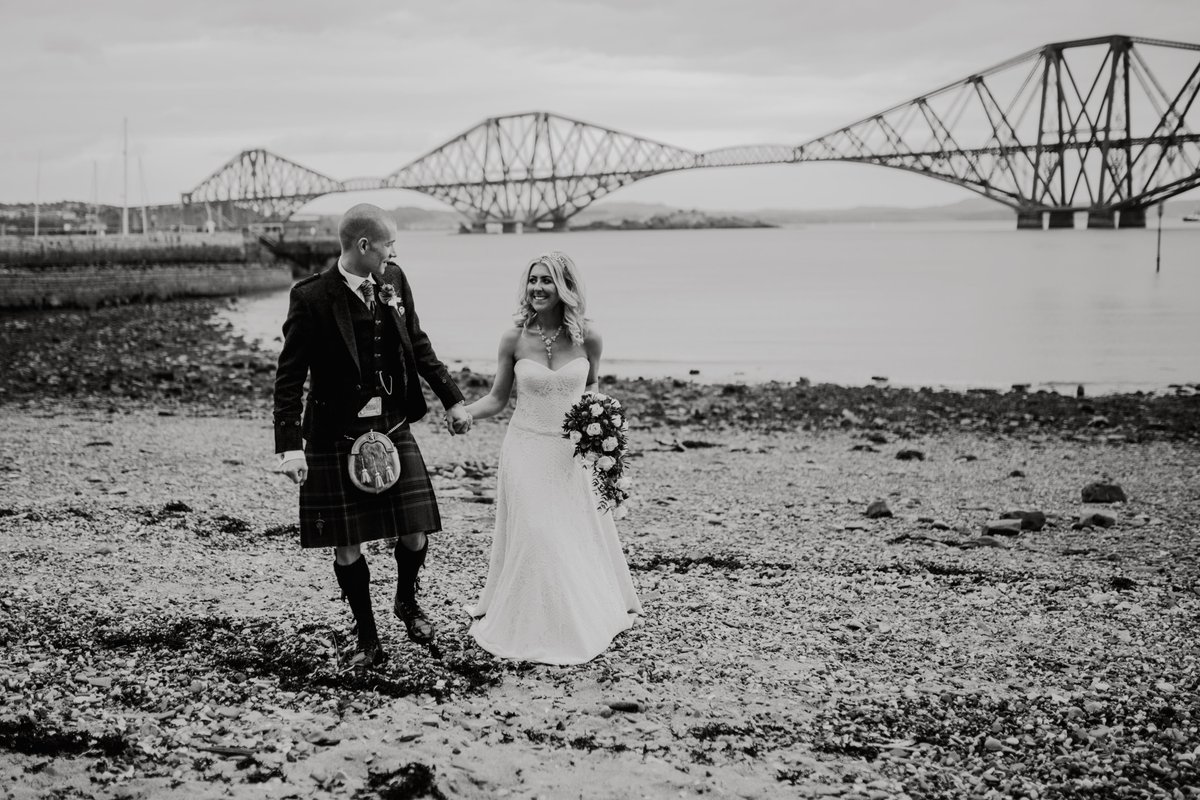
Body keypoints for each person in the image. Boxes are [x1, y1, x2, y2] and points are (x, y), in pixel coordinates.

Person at [273, 203, 472, 668]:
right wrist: (289, 448)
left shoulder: (394, 280)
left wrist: (452, 398)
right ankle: (367, 634)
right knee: (347, 543)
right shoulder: (311, 297)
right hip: (335, 432)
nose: (393, 253)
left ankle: (406, 601)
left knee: (416, 529)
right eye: (388, 245)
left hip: (393, 423)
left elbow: (417, 341)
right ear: (364, 245)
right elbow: (289, 377)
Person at [460, 251, 641, 665]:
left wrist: (601, 428)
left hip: (569, 454)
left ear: (565, 287)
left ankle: (573, 615)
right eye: (532, 280)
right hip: (525, 448)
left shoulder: (589, 338)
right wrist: (465, 413)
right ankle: (528, 623)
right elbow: (497, 398)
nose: (537, 288)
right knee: (537, 532)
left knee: (566, 534)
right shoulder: (513, 338)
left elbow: (591, 388)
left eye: (546, 281)